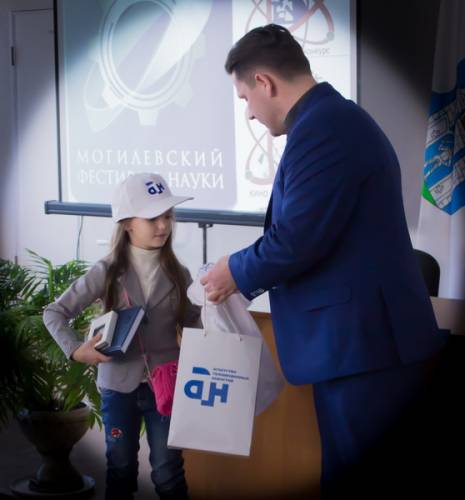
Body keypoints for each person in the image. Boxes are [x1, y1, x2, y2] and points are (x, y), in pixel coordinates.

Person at [201, 24, 449, 498]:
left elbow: (296, 240)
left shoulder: (325, 129)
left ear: (264, 82)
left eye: (245, 98)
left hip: (364, 352)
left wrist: (233, 270)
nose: (248, 113)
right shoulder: (329, 121)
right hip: (357, 346)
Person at [44, 173, 201, 500]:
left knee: (169, 473)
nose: (163, 225)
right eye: (152, 218)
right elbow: (54, 312)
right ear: (128, 223)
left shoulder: (179, 273)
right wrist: (76, 350)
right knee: (121, 470)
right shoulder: (106, 270)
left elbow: (193, 322)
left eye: (168, 216)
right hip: (118, 387)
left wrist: (214, 310)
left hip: (167, 386)